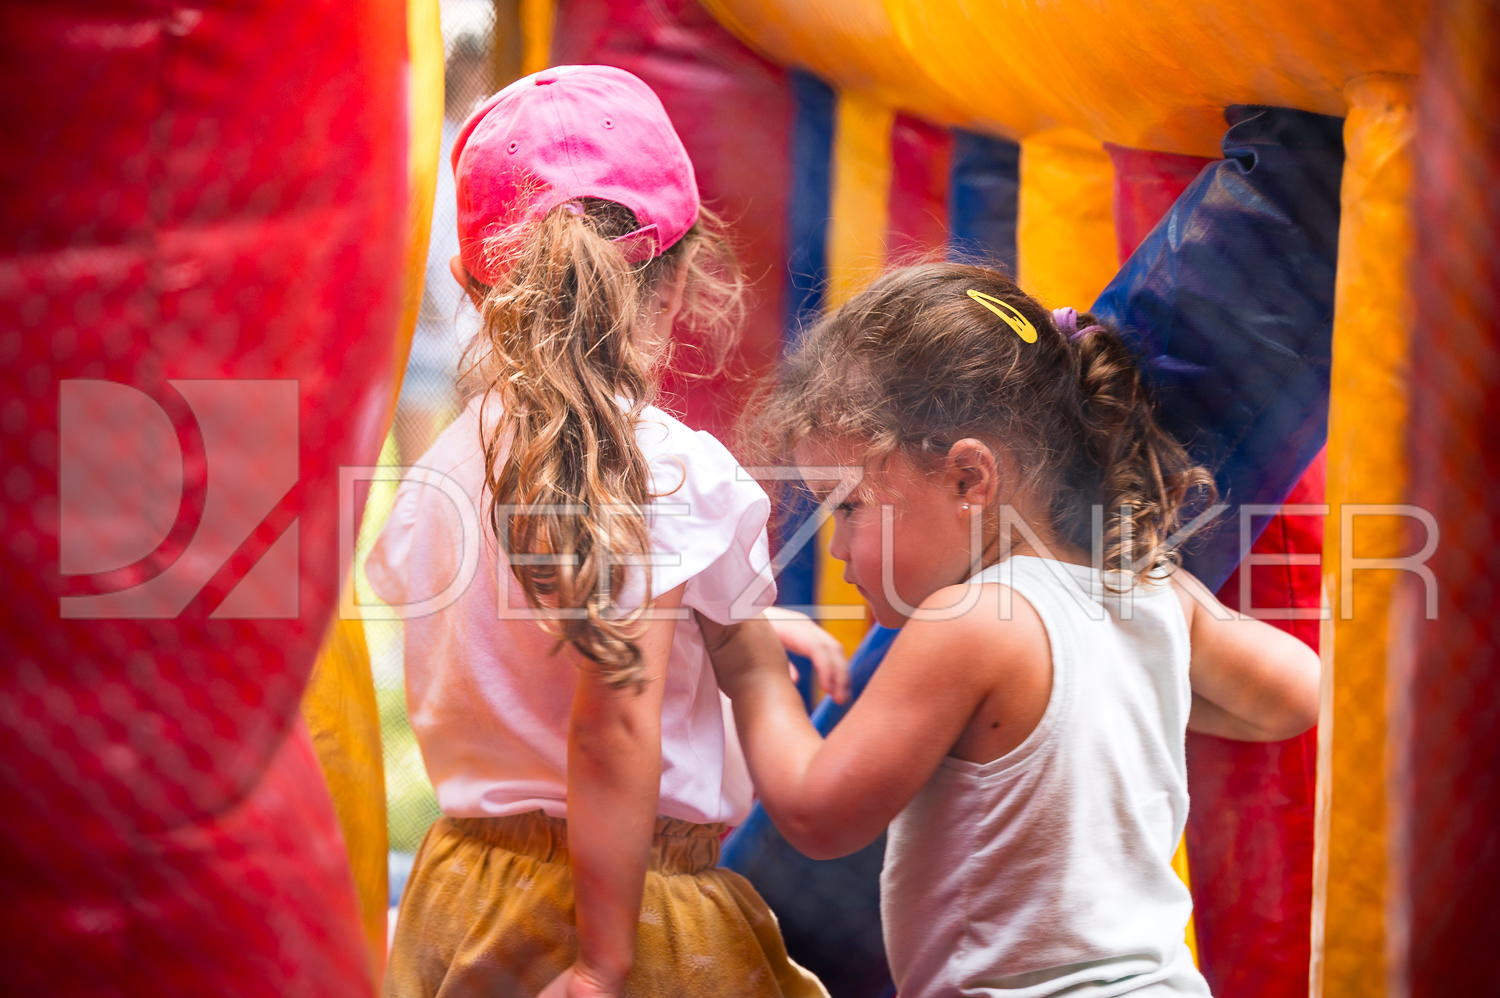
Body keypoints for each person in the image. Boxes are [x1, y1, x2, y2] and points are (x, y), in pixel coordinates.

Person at [704, 262, 1322, 997]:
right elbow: (1297, 696)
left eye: (849, 508)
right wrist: (1152, 687)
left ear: (969, 480)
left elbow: (818, 814)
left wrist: (748, 663)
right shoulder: (1153, 595)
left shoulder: (966, 622)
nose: (835, 550)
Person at [366, 65, 830, 997]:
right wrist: (604, 958)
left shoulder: (445, 471)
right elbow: (613, 722)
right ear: (684, 269)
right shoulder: (673, 474)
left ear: (469, 283)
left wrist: (725, 627)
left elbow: (524, 635)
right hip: (630, 907)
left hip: (464, 892)